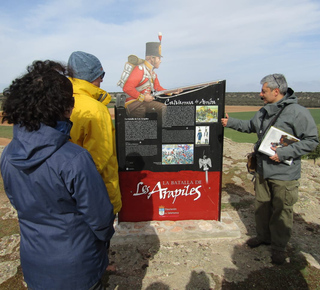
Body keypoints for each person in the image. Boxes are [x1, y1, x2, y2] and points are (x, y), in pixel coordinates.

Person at [0, 60, 115, 289]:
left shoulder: (9, 153)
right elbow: (101, 219)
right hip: (78, 267)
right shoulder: (75, 158)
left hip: (34, 263)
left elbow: (17, 201)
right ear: (63, 107)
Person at [221, 74, 319, 265]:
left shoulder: (298, 112)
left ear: (276, 91)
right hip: (263, 170)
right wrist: (230, 122)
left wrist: (285, 153)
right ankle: (263, 237)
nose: (260, 95)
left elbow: (312, 141)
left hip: (284, 174)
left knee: (281, 211)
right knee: (262, 207)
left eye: (263, 91)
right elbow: (250, 126)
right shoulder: (264, 111)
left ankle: (279, 247)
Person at [67, 51, 122, 215]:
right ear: (89, 77)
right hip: (95, 195)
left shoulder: (61, 101)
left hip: (66, 192)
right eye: (100, 74)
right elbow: (99, 158)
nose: (102, 79)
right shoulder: (95, 109)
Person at [122, 41, 167, 118]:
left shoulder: (152, 73)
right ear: (152, 58)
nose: (160, 61)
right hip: (135, 104)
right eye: (158, 58)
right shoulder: (140, 70)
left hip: (144, 103)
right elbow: (127, 88)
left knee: (163, 108)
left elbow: (157, 88)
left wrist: (172, 92)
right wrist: (143, 97)